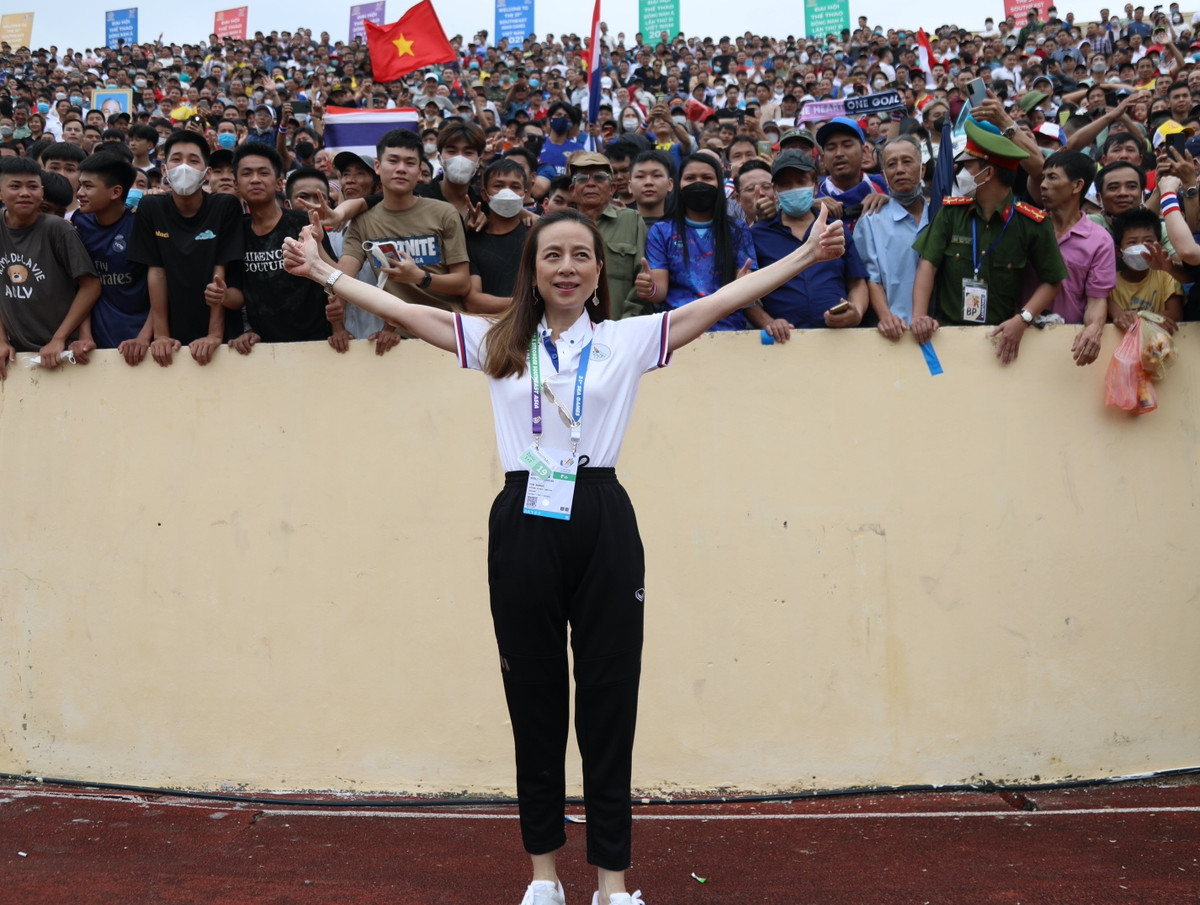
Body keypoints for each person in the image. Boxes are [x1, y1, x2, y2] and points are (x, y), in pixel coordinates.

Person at [280, 203, 846, 905]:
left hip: (603, 516)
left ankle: (614, 883)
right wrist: (324, 270)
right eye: (553, 256)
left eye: (581, 254)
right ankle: (544, 878)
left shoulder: (628, 340)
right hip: (524, 518)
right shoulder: (493, 340)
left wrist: (808, 256)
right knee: (535, 700)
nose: (568, 267)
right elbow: (403, 309)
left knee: (609, 701)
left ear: (597, 269)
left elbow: (724, 298)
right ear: (533, 270)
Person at [911, 119, 1068, 365]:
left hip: (1000, 342)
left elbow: (1053, 280)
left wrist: (1023, 318)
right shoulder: (951, 214)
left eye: (968, 166)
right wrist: (919, 316)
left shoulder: (1031, 223)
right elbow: (927, 264)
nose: (960, 173)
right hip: (946, 337)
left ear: (988, 173)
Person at [328, 128, 470, 355]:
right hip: (396, 338)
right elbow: (342, 277)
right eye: (393, 161)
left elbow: (462, 284)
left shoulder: (445, 213)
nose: (401, 169)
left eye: (410, 163)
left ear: (419, 170)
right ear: (378, 167)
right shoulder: (362, 222)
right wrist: (314, 247)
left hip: (449, 331)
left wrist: (420, 278)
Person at [127, 129, 245, 366]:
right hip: (173, 326)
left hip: (222, 336)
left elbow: (219, 273)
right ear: (164, 170)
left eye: (193, 161)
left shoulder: (225, 206)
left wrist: (214, 335)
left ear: (206, 173)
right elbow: (156, 272)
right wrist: (160, 336)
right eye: (176, 159)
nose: (184, 167)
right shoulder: (150, 207)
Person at [745, 149, 869, 338]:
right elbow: (743, 290)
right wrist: (768, 322)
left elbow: (857, 282)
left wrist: (856, 313)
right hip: (784, 342)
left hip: (837, 340)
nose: (793, 188)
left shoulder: (835, 229)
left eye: (801, 181)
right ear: (775, 191)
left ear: (815, 185)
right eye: (785, 184)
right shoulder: (757, 235)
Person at [0, 156, 100, 378]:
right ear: (1, 193)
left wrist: (59, 339)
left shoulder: (57, 229)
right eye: (15, 186)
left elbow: (90, 286)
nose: (25, 193)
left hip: (64, 350)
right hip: (17, 352)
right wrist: (2, 340)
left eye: (32, 186)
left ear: (41, 192)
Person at [228, 144, 333, 353]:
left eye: (263, 173)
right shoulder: (235, 231)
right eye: (247, 173)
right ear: (236, 184)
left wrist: (337, 328)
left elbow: (333, 279)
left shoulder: (303, 225)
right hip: (262, 349)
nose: (255, 179)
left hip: (316, 344)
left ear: (278, 183)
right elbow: (238, 292)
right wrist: (248, 329)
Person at [636, 153, 757, 331]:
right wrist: (650, 289)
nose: (698, 183)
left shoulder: (737, 230)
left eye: (707, 177)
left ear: (719, 184)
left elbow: (748, 291)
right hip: (677, 331)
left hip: (728, 330)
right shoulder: (661, 231)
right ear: (678, 185)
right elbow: (659, 292)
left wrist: (747, 287)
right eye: (690, 178)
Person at [1032, 150, 1117, 365]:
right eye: (1043, 177)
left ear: (1077, 186)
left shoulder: (1099, 240)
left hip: (1068, 345)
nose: (1043, 185)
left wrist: (1094, 329)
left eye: (1052, 177)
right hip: (1021, 337)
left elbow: (1097, 299)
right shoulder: (1028, 227)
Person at [72, 151, 152, 364]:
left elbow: (160, 282)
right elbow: (84, 284)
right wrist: (85, 336)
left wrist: (145, 337)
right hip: (96, 343)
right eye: (80, 185)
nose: (79, 193)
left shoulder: (139, 225)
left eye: (88, 186)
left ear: (116, 192)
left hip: (142, 342)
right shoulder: (81, 222)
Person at [853, 135, 928, 341]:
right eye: (891, 165)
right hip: (894, 331)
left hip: (937, 328)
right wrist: (886, 317)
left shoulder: (940, 216)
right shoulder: (870, 221)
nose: (900, 170)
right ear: (884, 176)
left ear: (922, 170)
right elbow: (870, 277)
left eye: (907, 161)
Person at [567, 150, 648, 319]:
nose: (590, 183)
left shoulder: (631, 222)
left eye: (599, 177)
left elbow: (643, 279)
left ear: (612, 189)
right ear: (572, 190)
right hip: (569, 330)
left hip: (620, 328)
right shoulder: (560, 229)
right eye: (582, 178)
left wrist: (625, 326)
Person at [464, 158, 531, 312]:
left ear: (524, 194)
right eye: (499, 186)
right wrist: (525, 304)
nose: (507, 192)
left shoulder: (538, 237)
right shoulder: (471, 241)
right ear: (484, 194)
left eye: (515, 187)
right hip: (486, 329)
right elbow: (473, 301)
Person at [1107, 207, 1184, 330]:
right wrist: (1153, 319)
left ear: (1159, 246)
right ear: (1118, 251)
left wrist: (1137, 318)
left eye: (1148, 241)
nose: (1141, 248)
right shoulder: (1110, 283)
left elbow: (1176, 314)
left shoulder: (1167, 276)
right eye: (1132, 242)